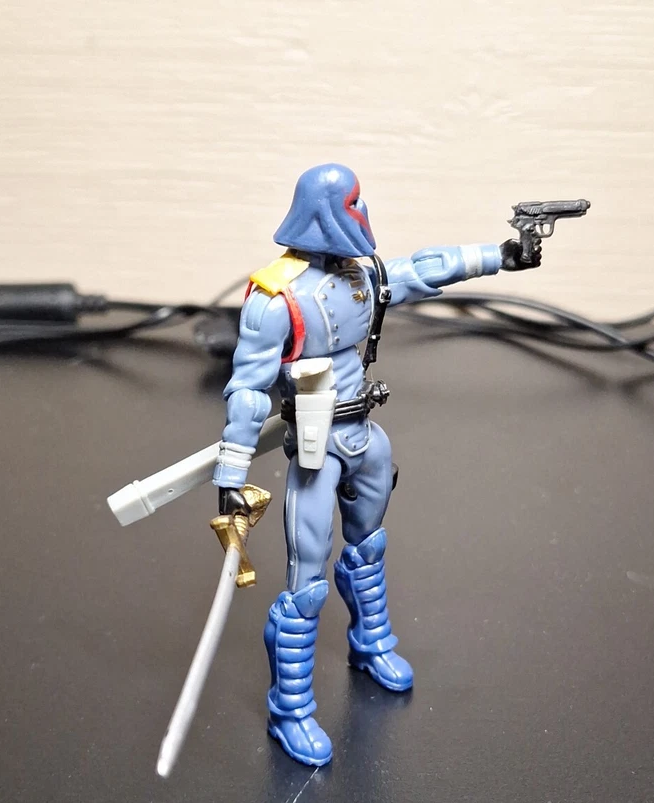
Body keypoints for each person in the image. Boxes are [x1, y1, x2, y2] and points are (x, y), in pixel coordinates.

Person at [213, 163, 539, 766]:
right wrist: (232, 473)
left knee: (367, 547)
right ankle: (291, 708)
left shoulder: (361, 276)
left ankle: (371, 641)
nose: (361, 214)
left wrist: (500, 255)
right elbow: (250, 391)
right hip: (315, 450)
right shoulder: (275, 297)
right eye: (353, 204)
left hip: (364, 434)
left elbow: (422, 269)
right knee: (305, 582)